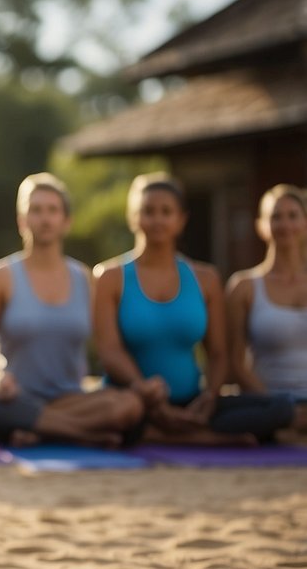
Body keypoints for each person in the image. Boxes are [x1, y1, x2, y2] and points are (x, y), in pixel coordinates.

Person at [93, 173, 294, 444]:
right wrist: (144, 391)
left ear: (181, 220)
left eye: (166, 212)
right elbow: (109, 351)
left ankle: (177, 431)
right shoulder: (110, 277)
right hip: (134, 399)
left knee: (279, 408)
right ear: (133, 218)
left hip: (192, 402)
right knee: (116, 413)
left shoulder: (206, 278)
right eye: (148, 211)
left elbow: (219, 353)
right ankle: (201, 437)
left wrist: (209, 396)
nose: (157, 220)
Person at [0, 173, 144, 446]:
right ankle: (86, 436)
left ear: (66, 221)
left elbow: (108, 346)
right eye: (35, 210)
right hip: (16, 399)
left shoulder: (85, 278)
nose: (45, 218)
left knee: (129, 405)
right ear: (22, 220)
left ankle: (40, 431)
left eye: (53, 210)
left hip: (72, 400)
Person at [225, 184, 307, 434]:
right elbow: (235, 362)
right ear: (261, 225)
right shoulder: (243, 287)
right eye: (275, 217)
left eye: (293, 216)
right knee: (227, 418)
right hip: (268, 402)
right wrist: (276, 403)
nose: (285, 225)